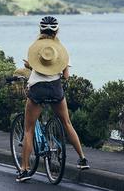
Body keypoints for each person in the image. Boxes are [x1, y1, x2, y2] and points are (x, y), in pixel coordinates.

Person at [15, 16, 89, 183]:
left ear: (40, 30)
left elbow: (37, 66)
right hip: (55, 89)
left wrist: (29, 66)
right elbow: (66, 76)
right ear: (57, 30)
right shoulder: (61, 51)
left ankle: (25, 170)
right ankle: (83, 159)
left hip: (37, 90)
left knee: (28, 129)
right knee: (67, 123)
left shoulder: (35, 49)